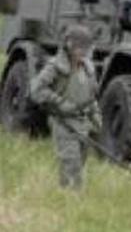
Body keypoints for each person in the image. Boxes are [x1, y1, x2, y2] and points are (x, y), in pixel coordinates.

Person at [30, 25, 101, 189]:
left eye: (86, 47)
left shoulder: (88, 69)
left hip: (83, 122)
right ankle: (73, 196)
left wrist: (96, 115)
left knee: (80, 161)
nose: (83, 51)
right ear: (69, 45)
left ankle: (65, 192)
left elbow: (91, 96)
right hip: (62, 121)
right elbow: (36, 89)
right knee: (71, 161)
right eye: (79, 47)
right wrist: (60, 102)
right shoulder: (55, 66)